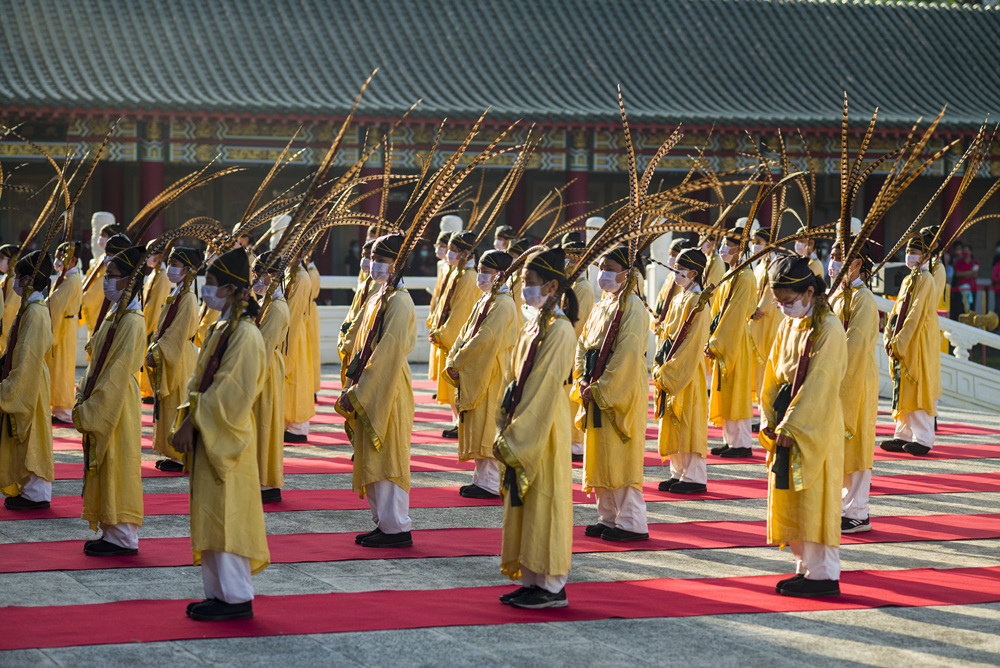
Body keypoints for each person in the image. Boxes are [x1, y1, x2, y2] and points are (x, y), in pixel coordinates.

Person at [170, 247, 269, 621]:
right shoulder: (221, 328)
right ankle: (217, 593)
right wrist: (188, 419)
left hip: (227, 440)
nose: (205, 290)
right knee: (212, 515)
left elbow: (230, 392)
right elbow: (198, 382)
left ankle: (236, 596)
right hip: (209, 436)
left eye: (210, 284)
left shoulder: (245, 335)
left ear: (230, 289)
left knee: (228, 517)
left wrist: (193, 422)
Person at [760, 255, 846, 597]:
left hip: (814, 424)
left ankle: (824, 575)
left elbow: (821, 383)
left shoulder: (829, 328)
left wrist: (792, 424)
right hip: (786, 423)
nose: (783, 308)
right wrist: (769, 416)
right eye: (778, 302)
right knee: (792, 495)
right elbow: (772, 372)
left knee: (815, 497)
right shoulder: (789, 323)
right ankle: (805, 568)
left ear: (810, 292)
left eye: (789, 301)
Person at [496, 247, 577, 609]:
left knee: (545, 500)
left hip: (543, 426)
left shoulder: (560, 330)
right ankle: (531, 579)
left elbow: (544, 386)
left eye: (530, 283)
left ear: (553, 286)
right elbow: (516, 378)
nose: (525, 289)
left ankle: (552, 585)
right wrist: (505, 416)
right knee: (525, 504)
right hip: (524, 418)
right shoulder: (533, 324)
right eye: (523, 283)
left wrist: (518, 436)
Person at [337, 233, 416, 548]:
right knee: (372, 456)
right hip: (371, 383)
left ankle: (397, 527)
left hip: (389, 387)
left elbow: (388, 352)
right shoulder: (378, 296)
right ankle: (383, 524)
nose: (373, 264)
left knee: (388, 456)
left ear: (397, 264)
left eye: (381, 259)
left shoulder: (400, 301)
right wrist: (353, 384)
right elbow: (362, 346)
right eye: (371, 257)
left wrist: (361, 389)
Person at [574, 246, 651, 541]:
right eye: (601, 267)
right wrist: (582, 378)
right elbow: (583, 344)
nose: (602, 273)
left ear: (627, 273)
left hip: (618, 389)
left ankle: (632, 522)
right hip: (594, 385)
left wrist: (602, 387)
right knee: (600, 454)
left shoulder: (633, 307)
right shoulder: (604, 303)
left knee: (620, 456)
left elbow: (628, 353)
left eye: (608, 267)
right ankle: (607, 517)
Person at [74, 245, 146, 556]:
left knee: (117, 462)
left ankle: (123, 536)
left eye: (112, 276)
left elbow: (116, 372)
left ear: (129, 280)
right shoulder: (118, 314)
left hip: (116, 399)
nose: (106, 281)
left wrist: (92, 407)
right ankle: (110, 528)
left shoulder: (131, 320)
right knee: (107, 464)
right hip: (106, 393)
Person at [444, 250, 518, 499]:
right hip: (476, 367)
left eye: (487, 271)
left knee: (488, 425)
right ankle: (481, 478)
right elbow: (466, 332)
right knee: (477, 422)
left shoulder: (504, 304)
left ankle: (491, 482)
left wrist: (460, 360)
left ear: (502, 275)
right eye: (481, 270)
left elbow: (485, 338)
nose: (481, 275)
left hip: (491, 371)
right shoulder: (485, 299)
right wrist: (453, 358)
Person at [828, 242, 879, 534]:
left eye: (839, 258)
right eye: (832, 257)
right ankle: (843, 507)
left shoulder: (864, 299)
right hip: (837, 375)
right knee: (840, 445)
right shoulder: (838, 295)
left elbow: (856, 344)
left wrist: (836, 375)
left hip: (856, 378)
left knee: (857, 444)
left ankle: (858, 511)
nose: (833, 263)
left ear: (857, 263)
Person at [653, 249, 712, 494]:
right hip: (671, 364)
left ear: (694, 273)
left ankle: (694, 477)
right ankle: (678, 473)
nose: (676, 273)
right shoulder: (681, 296)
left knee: (688, 420)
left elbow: (692, 342)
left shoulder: (698, 302)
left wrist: (672, 371)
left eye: (680, 269)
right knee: (673, 420)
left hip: (685, 370)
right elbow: (672, 333)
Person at [1, 251, 55, 510]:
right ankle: (29, 488)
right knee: (28, 435)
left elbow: (28, 356)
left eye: (19, 278)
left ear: (29, 280)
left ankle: (36, 493)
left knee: (33, 435)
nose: (15, 283)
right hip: (29, 375)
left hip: (30, 379)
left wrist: (11, 388)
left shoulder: (34, 312)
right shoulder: (30, 308)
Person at [882, 236, 941, 456]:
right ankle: (903, 434)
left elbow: (915, 314)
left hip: (915, 340)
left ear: (926, 256)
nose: (910, 256)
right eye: (908, 251)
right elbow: (897, 310)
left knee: (917, 385)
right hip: (901, 339)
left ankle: (924, 438)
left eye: (915, 252)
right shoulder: (909, 279)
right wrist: (889, 333)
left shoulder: (926, 279)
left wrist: (900, 341)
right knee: (902, 387)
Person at [146, 247, 202, 473]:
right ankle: (171, 452)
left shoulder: (187, 298)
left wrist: (157, 351)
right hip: (173, 350)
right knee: (169, 404)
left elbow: (177, 332)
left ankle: (179, 457)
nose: (170, 268)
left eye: (175, 264)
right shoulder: (177, 292)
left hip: (179, 353)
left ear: (187, 270)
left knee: (177, 399)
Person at [706, 229, 759, 459]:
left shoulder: (745, 277)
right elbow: (719, 311)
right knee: (725, 390)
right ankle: (730, 440)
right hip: (725, 339)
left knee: (737, 392)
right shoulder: (731, 275)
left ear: (741, 248)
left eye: (730, 244)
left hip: (735, 341)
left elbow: (735, 314)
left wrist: (716, 341)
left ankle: (742, 443)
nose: (724, 248)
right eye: (725, 243)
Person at [428, 231, 479, 439]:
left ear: (466, 253)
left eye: (453, 250)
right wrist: (436, 326)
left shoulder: (468, 277)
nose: (448, 254)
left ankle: (462, 424)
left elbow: (461, 312)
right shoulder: (457, 273)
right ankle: (456, 421)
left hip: (456, 338)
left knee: (459, 383)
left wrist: (443, 334)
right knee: (451, 385)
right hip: (446, 334)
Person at [252, 251, 290, 503]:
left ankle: (266, 483)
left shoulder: (277, 307)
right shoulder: (267, 303)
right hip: (260, 364)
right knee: (258, 424)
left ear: (274, 276)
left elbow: (263, 346)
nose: (256, 280)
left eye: (260, 275)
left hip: (263, 367)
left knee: (265, 424)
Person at [561, 235, 595, 461]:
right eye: (568, 257)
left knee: (571, 398)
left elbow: (577, 324)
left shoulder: (583, 288)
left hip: (571, 347)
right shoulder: (570, 284)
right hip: (563, 345)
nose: (570, 261)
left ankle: (575, 443)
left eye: (575, 257)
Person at [46, 242, 84, 425]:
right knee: (57, 367)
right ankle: (58, 407)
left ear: (73, 260)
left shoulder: (72, 281)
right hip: (63, 325)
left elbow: (55, 302)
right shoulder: (66, 278)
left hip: (64, 328)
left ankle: (63, 410)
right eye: (57, 256)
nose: (58, 261)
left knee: (61, 369)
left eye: (62, 257)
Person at [749, 228, 782, 415]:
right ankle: (763, 413)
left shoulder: (775, 264)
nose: (755, 246)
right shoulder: (760, 265)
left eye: (759, 242)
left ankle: (769, 414)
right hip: (759, 321)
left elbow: (770, 292)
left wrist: (756, 310)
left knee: (769, 368)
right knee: (760, 370)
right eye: (754, 242)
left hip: (769, 321)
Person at [283, 256, 315, 443]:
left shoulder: (301, 277)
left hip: (292, 331)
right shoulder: (290, 273)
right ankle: (288, 424)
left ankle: (297, 427)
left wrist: (285, 340)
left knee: (295, 377)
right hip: (289, 328)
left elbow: (293, 311)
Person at [338, 239, 375, 386]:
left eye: (370, 257)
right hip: (355, 339)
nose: (365, 261)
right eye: (363, 256)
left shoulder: (378, 287)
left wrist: (348, 340)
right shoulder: (366, 282)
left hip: (364, 342)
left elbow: (363, 317)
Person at [139, 241, 170, 403]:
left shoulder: (163, 277)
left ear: (159, 256)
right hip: (146, 320)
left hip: (154, 322)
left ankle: (152, 390)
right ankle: (146, 390)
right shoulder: (153, 274)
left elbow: (157, 304)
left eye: (150, 255)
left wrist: (151, 325)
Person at [79, 222, 123, 336]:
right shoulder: (102, 258)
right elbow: (89, 276)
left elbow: (99, 288)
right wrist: (81, 290)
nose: (100, 239)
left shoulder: (113, 262)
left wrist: (84, 298)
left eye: (104, 236)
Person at [426, 230, 452, 385]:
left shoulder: (461, 273)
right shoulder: (444, 267)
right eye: (438, 245)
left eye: (443, 246)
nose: (439, 249)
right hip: (439, 319)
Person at [306, 255, 322, 397]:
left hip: (307, 312)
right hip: (307, 311)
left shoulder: (310, 273)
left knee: (310, 350)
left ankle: (312, 388)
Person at [0, 244, 21, 352]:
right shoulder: (5, 278)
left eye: (2, 258)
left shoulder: (13, 282)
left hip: (4, 333)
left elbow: (9, 310)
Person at [950, 242, 979, 319]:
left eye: (967, 250)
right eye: (964, 250)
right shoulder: (958, 262)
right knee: (961, 309)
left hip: (972, 288)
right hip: (960, 289)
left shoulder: (975, 262)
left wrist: (964, 273)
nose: (965, 252)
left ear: (971, 252)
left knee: (971, 309)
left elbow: (975, 274)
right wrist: (970, 272)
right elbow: (957, 274)